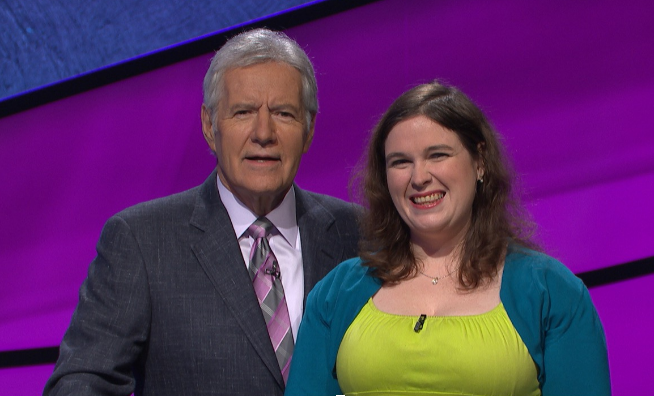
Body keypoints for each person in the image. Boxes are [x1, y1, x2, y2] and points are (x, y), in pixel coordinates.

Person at [43, 28, 360, 396]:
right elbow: (81, 381)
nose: (263, 132)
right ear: (210, 126)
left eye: (283, 113)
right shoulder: (142, 240)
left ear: (309, 129)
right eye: (243, 112)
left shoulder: (359, 232)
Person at [285, 81, 611, 396]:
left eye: (438, 155)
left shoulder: (551, 294)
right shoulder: (337, 293)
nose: (420, 177)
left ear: (480, 161)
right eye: (401, 162)